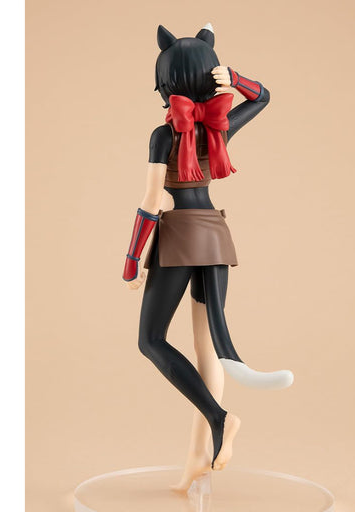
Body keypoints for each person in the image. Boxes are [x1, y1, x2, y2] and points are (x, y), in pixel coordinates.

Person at [122, 24, 293, 491]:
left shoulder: (164, 134)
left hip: (179, 236)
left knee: (151, 340)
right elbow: (262, 97)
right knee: (208, 347)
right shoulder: (219, 127)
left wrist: (133, 259)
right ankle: (197, 460)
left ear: (165, 82)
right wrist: (234, 78)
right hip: (215, 234)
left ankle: (220, 418)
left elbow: (152, 201)